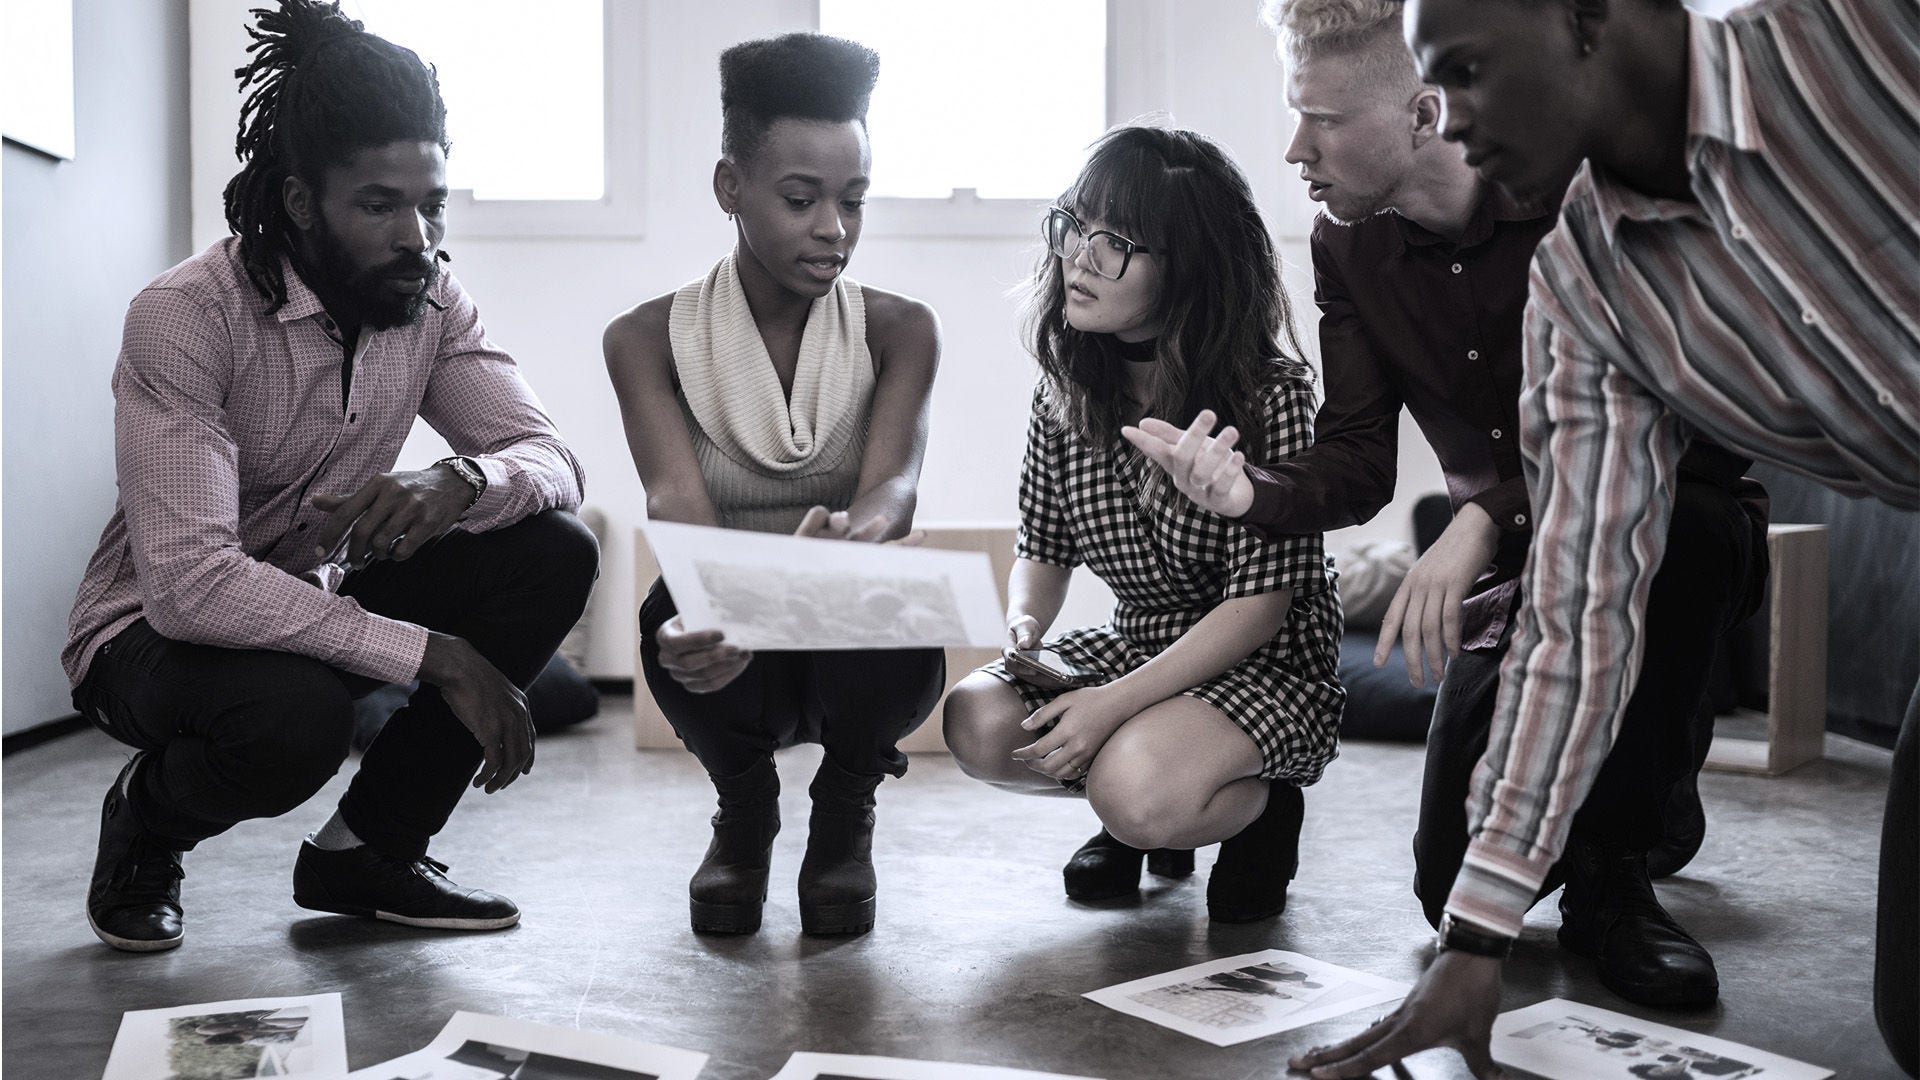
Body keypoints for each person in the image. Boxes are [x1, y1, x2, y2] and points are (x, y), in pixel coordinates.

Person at [1285, 0, 1918, 1076]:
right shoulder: (1582, 287)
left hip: (1704, 525)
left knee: (1695, 531)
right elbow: (1577, 610)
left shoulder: (1860, 31)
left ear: (1583, 17)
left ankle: (1628, 849)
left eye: (1469, 74)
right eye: (1435, 91)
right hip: (1537, 554)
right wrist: (1477, 938)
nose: (1453, 121)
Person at [1127, 0, 1765, 1009]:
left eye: (1321, 119)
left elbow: (1688, 427)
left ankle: (1618, 876)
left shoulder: (1586, 201)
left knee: (1689, 531)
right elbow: (1356, 460)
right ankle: (1637, 785)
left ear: (1424, 115)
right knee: (1448, 892)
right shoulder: (1349, 250)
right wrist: (1250, 490)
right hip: (1506, 575)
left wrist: (1486, 515)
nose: (1294, 148)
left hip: (1659, 519)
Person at [64, 0, 598, 953]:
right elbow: (190, 589)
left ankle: (369, 852)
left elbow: (554, 459)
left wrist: (462, 481)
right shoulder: (186, 317)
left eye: (431, 204)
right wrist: (433, 653)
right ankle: (147, 822)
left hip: (312, 599)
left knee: (553, 551)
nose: (418, 238)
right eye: (379, 205)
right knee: (292, 723)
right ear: (304, 204)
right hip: (145, 634)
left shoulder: (430, 299)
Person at [940, 125, 1345, 922]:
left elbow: (1259, 610)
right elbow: (1043, 545)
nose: (1079, 258)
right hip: (1143, 645)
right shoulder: (1064, 389)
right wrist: (1027, 622)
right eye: (1074, 225)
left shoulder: (1271, 396)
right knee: (977, 718)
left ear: (1188, 266)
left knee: (1134, 784)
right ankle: (1140, 801)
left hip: (1264, 666)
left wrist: (1113, 704)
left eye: (1117, 241)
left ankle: (1258, 811)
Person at [604, 32, 943, 938]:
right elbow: (677, 504)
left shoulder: (901, 329)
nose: (833, 227)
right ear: (730, 189)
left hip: (846, 624)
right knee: (665, 616)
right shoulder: (642, 339)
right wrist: (728, 605)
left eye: (853, 200)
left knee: (900, 599)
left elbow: (892, 489)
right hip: (734, 628)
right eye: (801, 199)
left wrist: (847, 550)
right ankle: (745, 809)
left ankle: (844, 813)